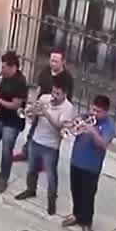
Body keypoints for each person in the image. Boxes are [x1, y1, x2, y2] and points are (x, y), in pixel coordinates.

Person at [15, 83, 76, 215]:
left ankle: (51, 201)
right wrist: (31, 113)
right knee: (31, 169)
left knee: (51, 176)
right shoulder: (44, 98)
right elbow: (32, 117)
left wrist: (46, 113)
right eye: (53, 92)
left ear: (65, 94)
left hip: (51, 146)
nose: (53, 96)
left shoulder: (68, 108)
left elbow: (59, 127)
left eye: (57, 94)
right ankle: (30, 189)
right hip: (36, 140)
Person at [65, 94, 115, 231]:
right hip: (76, 161)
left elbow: (103, 144)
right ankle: (76, 215)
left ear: (106, 112)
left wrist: (92, 130)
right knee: (76, 191)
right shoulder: (85, 117)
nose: (94, 113)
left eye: (98, 111)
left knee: (88, 196)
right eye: (93, 109)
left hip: (91, 166)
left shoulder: (109, 126)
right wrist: (72, 126)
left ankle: (86, 223)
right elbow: (71, 129)